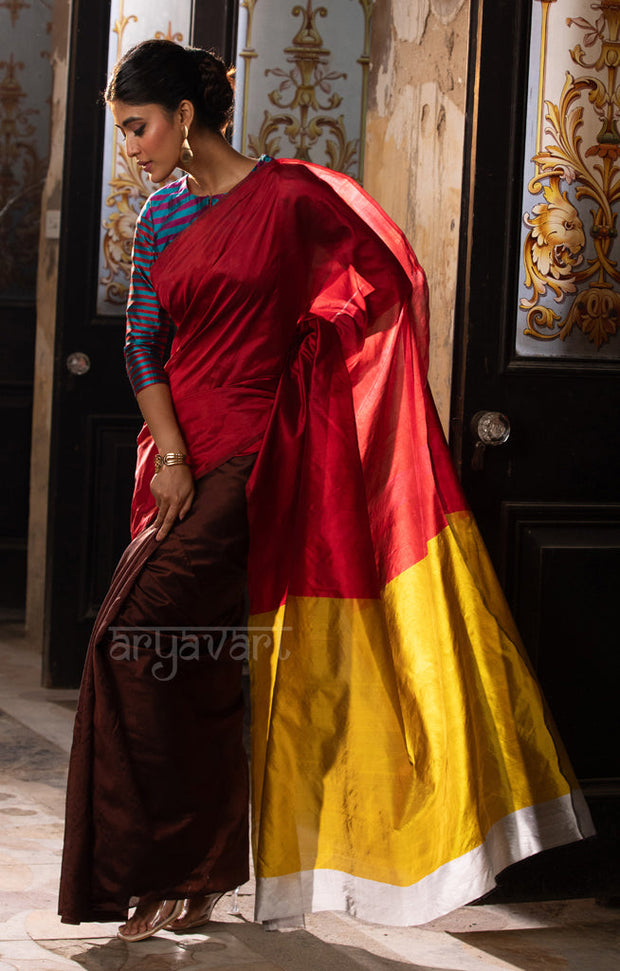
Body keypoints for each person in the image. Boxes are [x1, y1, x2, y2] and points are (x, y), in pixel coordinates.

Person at [59, 38, 593, 942]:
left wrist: (320, 376)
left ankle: (186, 865)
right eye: (123, 130)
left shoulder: (297, 197)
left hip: (261, 458)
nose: (132, 146)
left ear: (185, 117)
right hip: (184, 456)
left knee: (134, 639)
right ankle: (190, 867)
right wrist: (175, 453)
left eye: (138, 127)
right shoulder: (160, 215)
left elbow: (391, 284)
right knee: (182, 654)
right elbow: (140, 340)